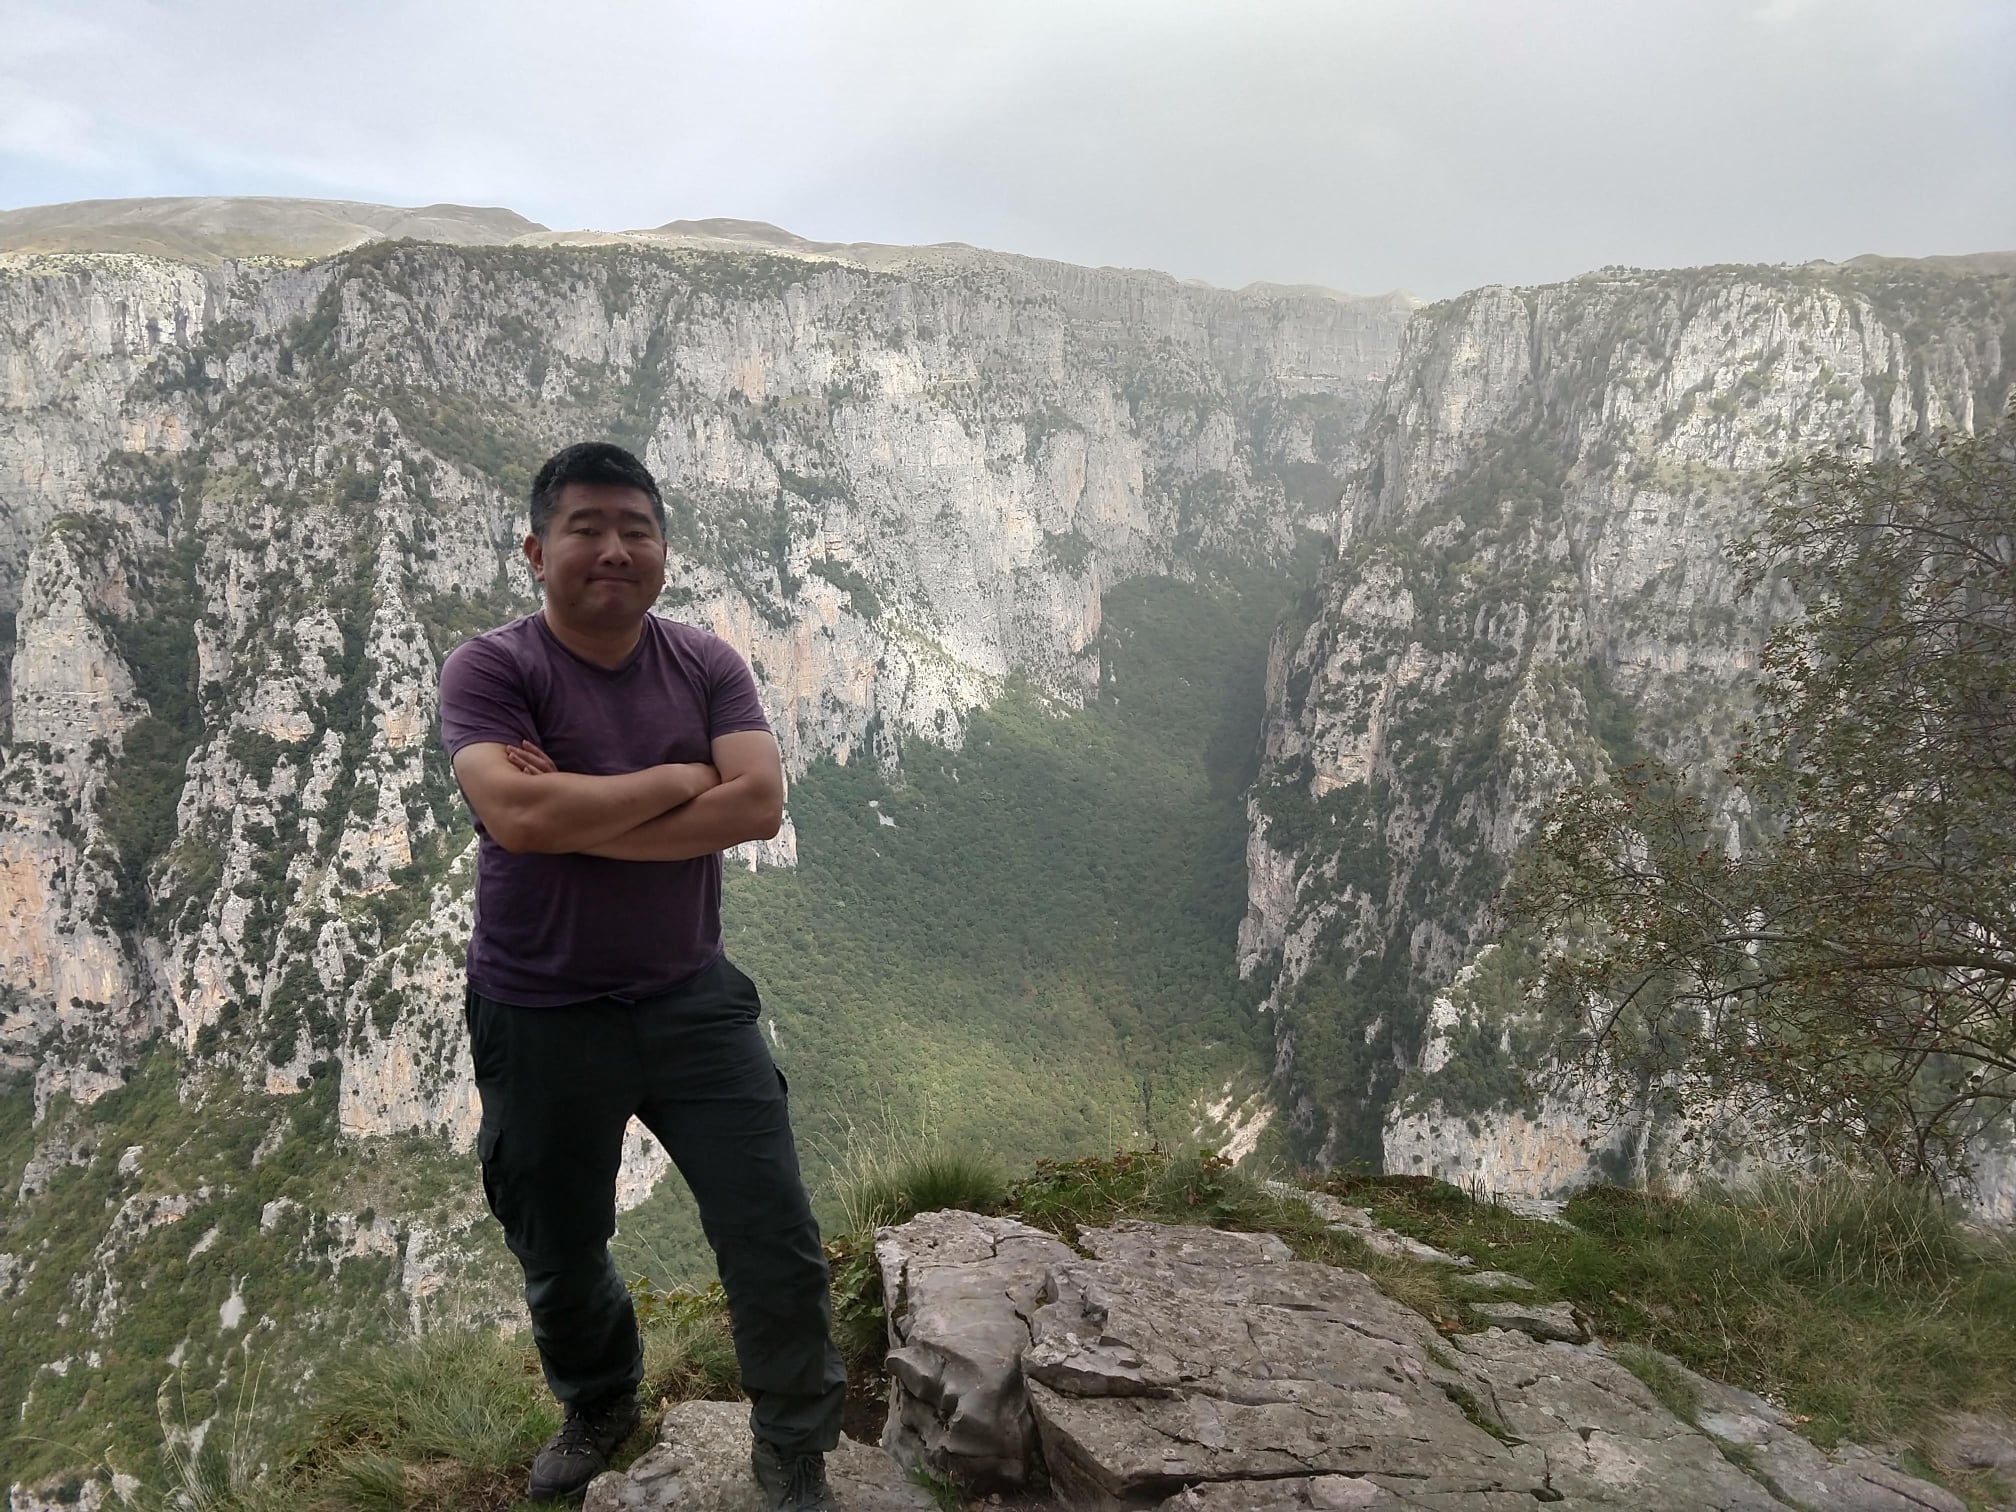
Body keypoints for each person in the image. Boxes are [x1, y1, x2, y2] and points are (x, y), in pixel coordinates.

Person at [437, 441, 846, 1508]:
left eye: (637, 529)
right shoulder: (492, 670)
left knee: (772, 1227)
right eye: (586, 528)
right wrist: (678, 777)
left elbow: (757, 805)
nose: (614, 549)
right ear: (537, 551)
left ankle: (794, 1441)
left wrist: (574, 812)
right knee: (559, 1243)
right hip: (538, 1007)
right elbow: (517, 814)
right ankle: (601, 1402)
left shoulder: (707, 664)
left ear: (663, 549)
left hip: (689, 996)